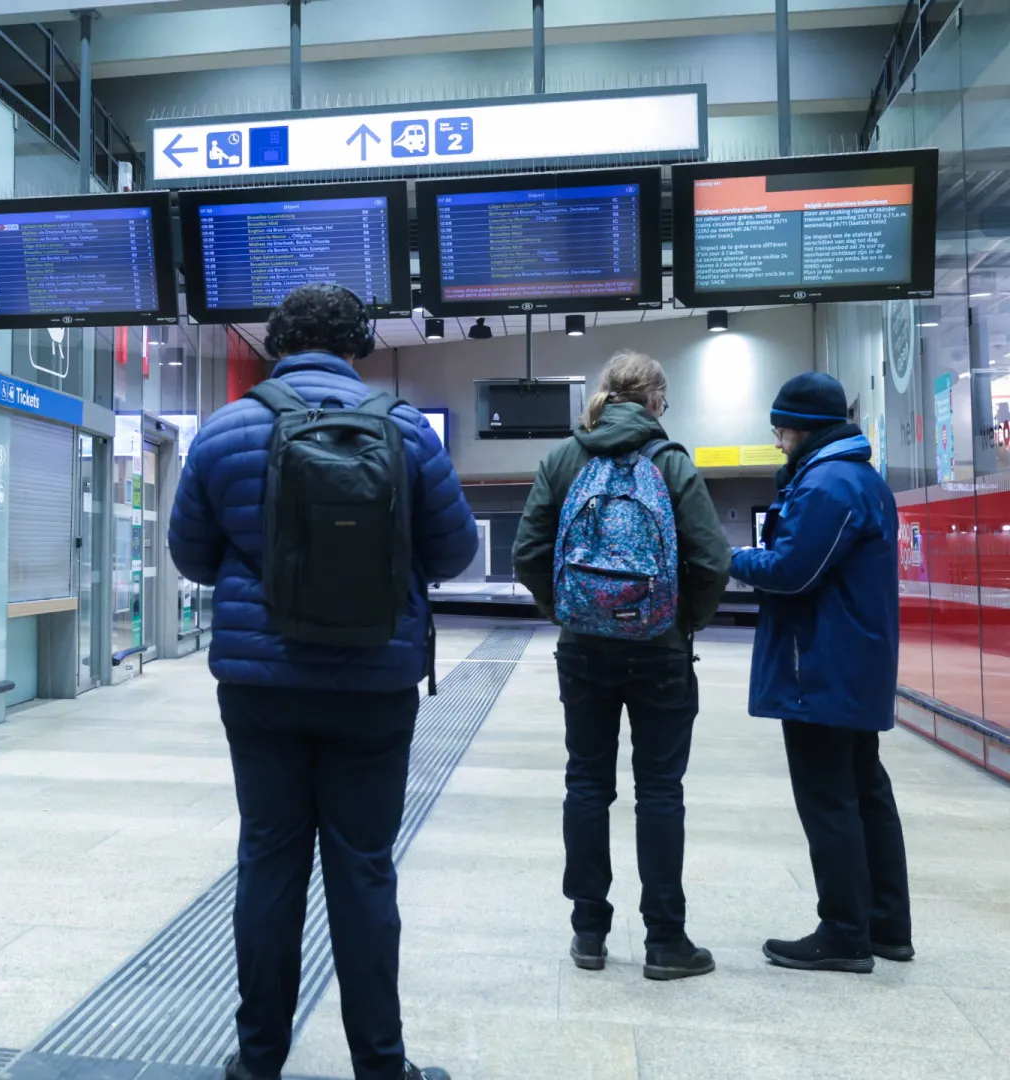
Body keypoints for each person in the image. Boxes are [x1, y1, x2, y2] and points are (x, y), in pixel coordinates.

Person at [170, 284, 476, 1080]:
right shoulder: (407, 430)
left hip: (261, 684)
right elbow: (453, 553)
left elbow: (191, 557)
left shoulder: (226, 429)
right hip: (374, 683)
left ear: (278, 342)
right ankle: (381, 1064)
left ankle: (257, 1062)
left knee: (269, 861)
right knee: (363, 867)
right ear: (357, 345)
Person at [511, 351, 732, 980]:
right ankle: (665, 940)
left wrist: (568, 609)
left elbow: (527, 552)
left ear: (604, 395)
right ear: (656, 400)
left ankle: (588, 933)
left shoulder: (564, 458)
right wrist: (681, 621)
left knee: (586, 783)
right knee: (659, 790)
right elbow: (712, 560)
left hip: (583, 649)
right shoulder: (671, 461)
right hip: (660, 650)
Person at [728, 371, 909, 974]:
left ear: (801, 428)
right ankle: (885, 925)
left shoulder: (828, 484)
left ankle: (843, 933)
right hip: (853, 661)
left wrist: (729, 557)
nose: (778, 442)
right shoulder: (860, 478)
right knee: (865, 791)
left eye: (780, 430)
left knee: (829, 798)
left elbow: (792, 571)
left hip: (821, 665)